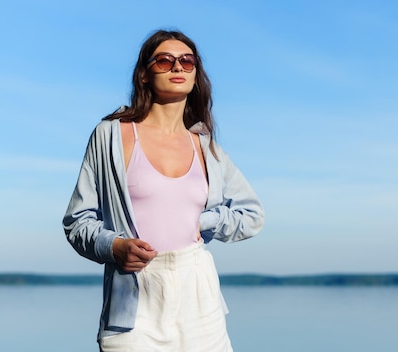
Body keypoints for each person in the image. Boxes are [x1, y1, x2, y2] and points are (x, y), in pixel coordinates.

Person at [62, 29, 265, 352]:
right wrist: (114, 246)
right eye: (164, 61)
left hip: (199, 295)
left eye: (187, 61)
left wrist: (203, 222)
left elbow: (252, 215)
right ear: (143, 74)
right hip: (133, 301)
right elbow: (77, 221)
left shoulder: (206, 146)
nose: (177, 68)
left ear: (196, 75)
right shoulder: (111, 136)